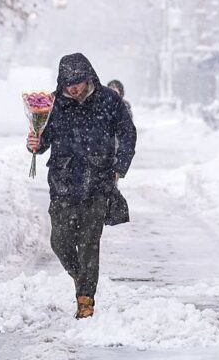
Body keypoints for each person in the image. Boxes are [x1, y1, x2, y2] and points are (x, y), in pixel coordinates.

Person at [27, 53, 136, 319]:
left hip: (98, 182)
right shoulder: (52, 105)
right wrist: (35, 143)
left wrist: (119, 167)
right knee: (60, 241)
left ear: (88, 77)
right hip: (63, 182)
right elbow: (44, 140)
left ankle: (85, 299)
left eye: (77, 82)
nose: (73, 88)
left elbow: (127, 132)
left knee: (89, 242)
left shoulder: (109, 101)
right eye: (68, 83)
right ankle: (79, 274)